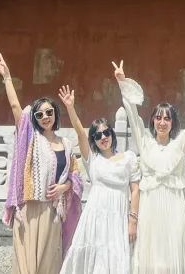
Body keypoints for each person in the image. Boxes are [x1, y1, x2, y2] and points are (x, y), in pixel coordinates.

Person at [113, 60, 185, 274]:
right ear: (153, 121)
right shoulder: (144, 142)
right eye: (158, 118)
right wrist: (122, 82)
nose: (162, 122)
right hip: (150, 206)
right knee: (150, 255)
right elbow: (133, 116)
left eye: (167, 119)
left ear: (172, 123)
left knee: (173, 256)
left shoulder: (181, 144)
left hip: (174, 205)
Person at [0, 53, 82, 274]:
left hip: (53, 211)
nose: (45, 117)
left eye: (49, 112)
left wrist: (63, 187)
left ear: (55, 114)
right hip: (30, 209)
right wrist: (7, 77)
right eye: (40, 114)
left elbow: (75, 176)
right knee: (27, 266)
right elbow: (16, 108)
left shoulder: (66, 144)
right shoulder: (32, 138)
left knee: (49, 265)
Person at [57, 84, 139, 274]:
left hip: (118, 217)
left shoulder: (128, 158)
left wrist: (133, 220)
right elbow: (80, 133)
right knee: (93, 262)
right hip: (95, 217)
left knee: (116, 261)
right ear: (94, 140)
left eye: (106, 132)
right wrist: (70, 107)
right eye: (98, 135)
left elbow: (135, 190)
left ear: (111, 134)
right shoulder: (92, 159)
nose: (103, 137)